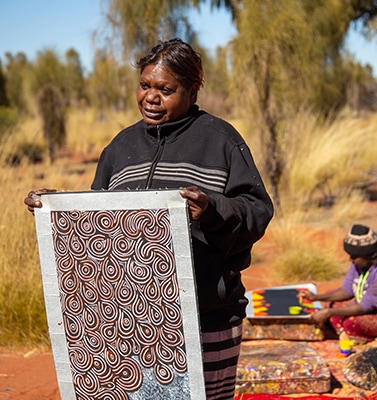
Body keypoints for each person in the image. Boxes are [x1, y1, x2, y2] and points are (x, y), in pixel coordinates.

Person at [24, 38, 274, 399]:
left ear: (192, 90)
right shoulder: (120, 147)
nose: (151, 98)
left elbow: (257, 210)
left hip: (206, 316)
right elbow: (100, 224)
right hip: (125, 323)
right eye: (144, 86)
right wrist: (56, 209)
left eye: (165, 89)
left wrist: (213, 210)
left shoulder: (220, 141)